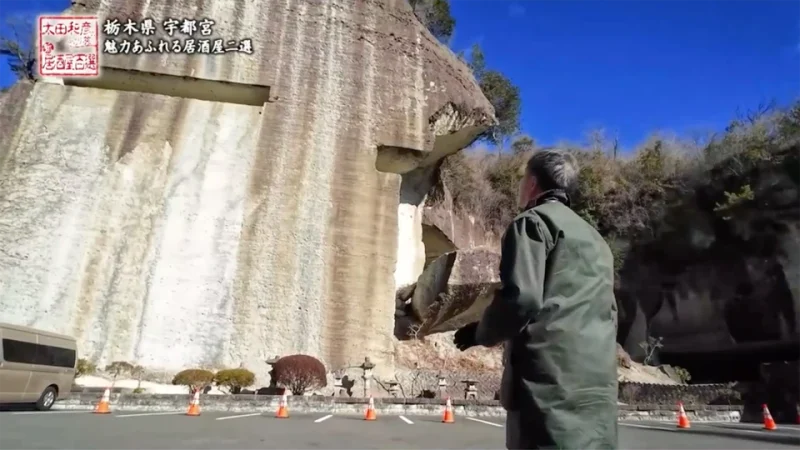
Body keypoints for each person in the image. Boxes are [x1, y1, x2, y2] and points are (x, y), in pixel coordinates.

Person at [454, 150, 618, 450]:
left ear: (531, 183)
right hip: (597, 386)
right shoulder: (597, 241)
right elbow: (608, 312)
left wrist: (480, 333)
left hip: (548, 384)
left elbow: (523, 299)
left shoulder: (533, 223)